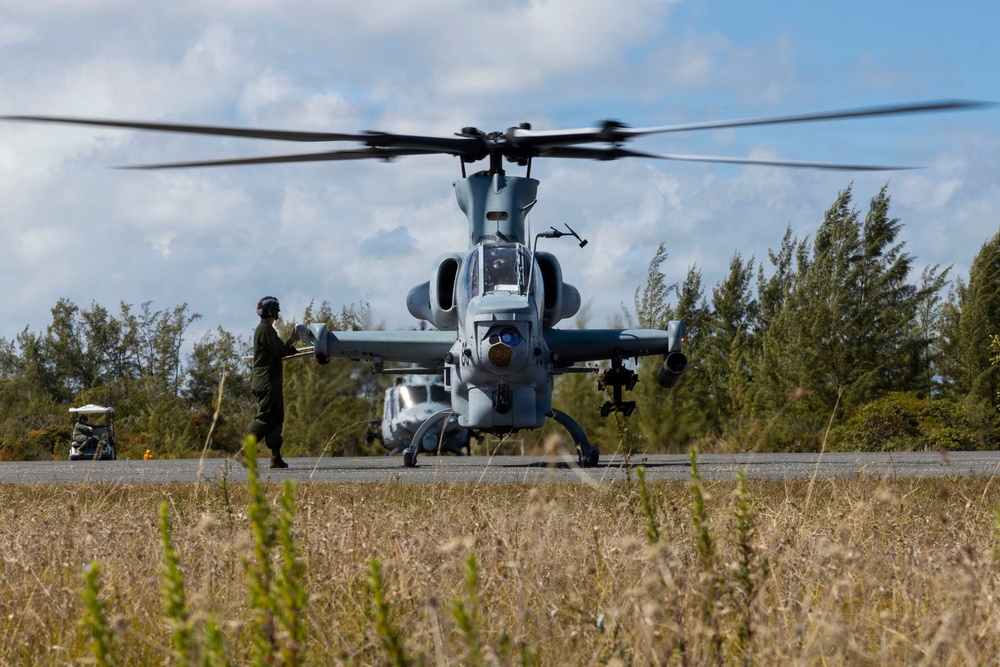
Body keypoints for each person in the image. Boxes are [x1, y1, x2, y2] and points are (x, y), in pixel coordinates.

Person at [236, 295, 300, 469]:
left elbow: (278, 352)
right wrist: (292, 341)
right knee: (265, 417)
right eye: (276, 309)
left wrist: (290, 348)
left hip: (271, 382)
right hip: (267, 382)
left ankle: (276, 457)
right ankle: (243, 452)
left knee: (276, 418)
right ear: (271, 311)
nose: (278, 313)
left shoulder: (266, 330)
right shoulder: (265, 330)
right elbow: (280, 351)